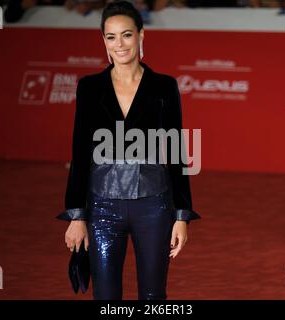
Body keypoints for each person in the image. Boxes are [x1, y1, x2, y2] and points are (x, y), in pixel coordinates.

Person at [58, 0, 201, 300]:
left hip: (154, 207)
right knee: (106, 298)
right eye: (111, 37)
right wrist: (76, 215)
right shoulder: (89, 87)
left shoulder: (164, 86)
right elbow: (80, 153)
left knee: (153, 297)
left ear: (141, 35)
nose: (119, 44)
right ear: (103, 41)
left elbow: (176, 152)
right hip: (102, 209)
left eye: (126, 34)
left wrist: (181, 215)